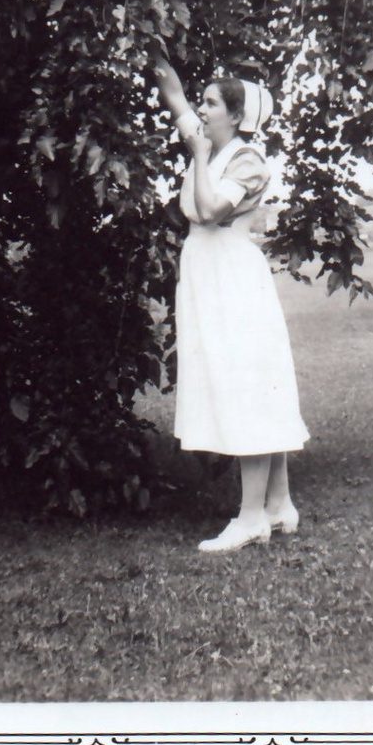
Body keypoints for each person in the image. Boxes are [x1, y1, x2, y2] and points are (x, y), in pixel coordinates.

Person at [153, 56, 309, 553]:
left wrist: (199, 156)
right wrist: (152, 51)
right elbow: (174, 95)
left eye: (211, 103)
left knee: (247, 386)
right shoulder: (211, 142)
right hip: (208, 276)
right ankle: (279, 504)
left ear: (236, 116)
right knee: (244, 383)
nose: (201, 109)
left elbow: (209, 210)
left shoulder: (246, 160)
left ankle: (251, 518)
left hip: (233, 279)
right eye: (202, 101)